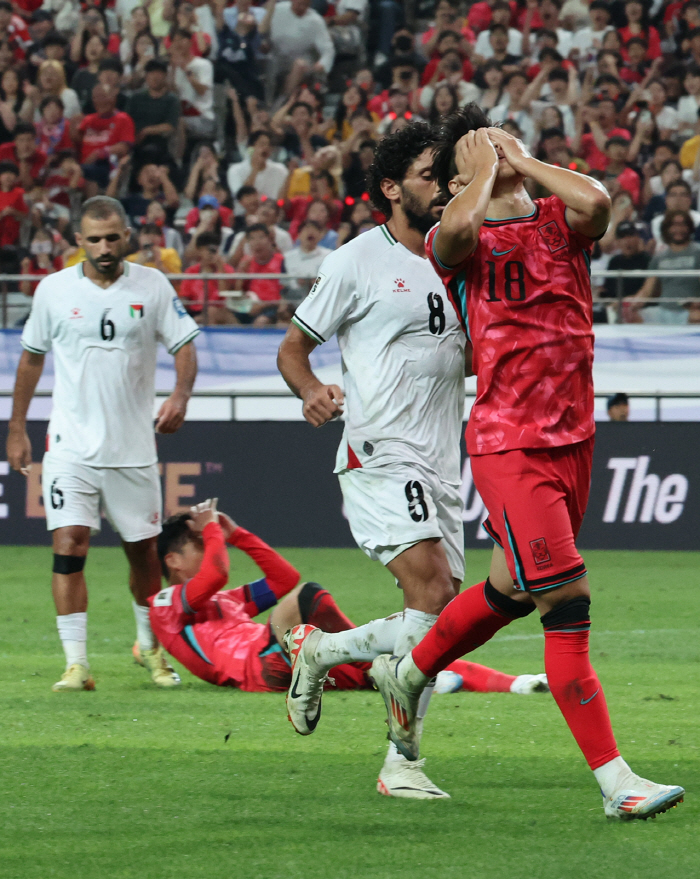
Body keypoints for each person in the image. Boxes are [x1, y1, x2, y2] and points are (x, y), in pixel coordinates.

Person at [368, 105, 684, 821]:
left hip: (574, 438)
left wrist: (521, 160)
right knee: (566, 602)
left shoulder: (555, 220)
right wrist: (475, 177)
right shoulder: (461, 243)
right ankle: (616, 782)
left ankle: (409, 669)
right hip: (512, 443)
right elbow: (450, 230)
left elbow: (598, 202)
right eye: (470, 167)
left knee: (510, 590)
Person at [277, 123, 470, 799]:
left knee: (438, 625)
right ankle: (403, 763)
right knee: (436, 596)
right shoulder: (357, 260)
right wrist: (312, 391)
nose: (443, 185)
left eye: (447, 174)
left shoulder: (462, 256)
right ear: (389, 189)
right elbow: (292, 349)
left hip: (447, 459)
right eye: (427, 175)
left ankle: (324, 653)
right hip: (380, 448)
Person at [6, 196, 199, 693]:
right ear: (78, 241)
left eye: (113, 238)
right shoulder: (52, 291)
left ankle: (150, 650)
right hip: (70, 445)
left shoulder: (152, 285)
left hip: (132, 448)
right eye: (95, 239)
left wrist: (180, 396)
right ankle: (77, 664)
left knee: (144, 559)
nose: (105, 247)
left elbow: (184, 346)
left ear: (127, 236)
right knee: (68, 546)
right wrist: (16, 427)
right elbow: (30, 360)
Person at [150, 499, 548, 700]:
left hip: (285, 659)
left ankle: (516, 684)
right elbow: (219, 571)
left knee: (414, 645)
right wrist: (212, 530)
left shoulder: (223, 602)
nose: (208, 548)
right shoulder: (166, 605)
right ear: (173, 561)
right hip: (262, 666)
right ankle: (384, 666)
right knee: (308, 598)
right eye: (198, 545)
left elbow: (282, 577)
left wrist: (237, 536)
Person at [629, 210, 700, 324]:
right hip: (663, 311)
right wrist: (633, 304)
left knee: (696, 316)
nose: (678, 229)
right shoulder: (659, 257)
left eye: (682, 224)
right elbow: (647, 289)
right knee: (632, 316)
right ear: (667, 228)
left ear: (689, 227)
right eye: (674, 225)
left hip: (690, 312)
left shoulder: (697, 252)